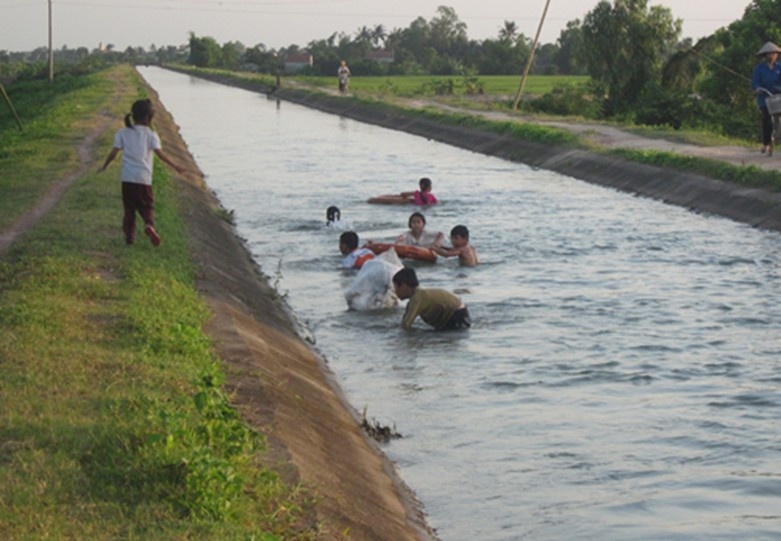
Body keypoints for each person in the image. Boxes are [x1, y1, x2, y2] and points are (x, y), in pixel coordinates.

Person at [98, 98, 185, 246]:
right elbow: (160, 154)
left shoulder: (122, 133)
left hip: (127, 178)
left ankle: (129, 238)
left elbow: (113, 153)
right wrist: (176, 166)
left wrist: (105, 165)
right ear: (148, 117)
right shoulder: (151, 135)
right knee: (147, 206)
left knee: (129, 209)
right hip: (144, 178)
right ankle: (149, 225)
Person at [392, 267, 471, 330]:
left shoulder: (417, 298)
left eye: (395, 287)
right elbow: (405, 321)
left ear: (404, 286)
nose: (395, 291)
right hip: (457, 312)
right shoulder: (417, 297)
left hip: (457, 315)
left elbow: (405, 325)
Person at [751, 42, 781, 155]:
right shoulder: (759, 68)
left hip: (778, 97)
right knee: (766, 120)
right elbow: (755, 83)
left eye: (774, 54)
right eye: (769, 54)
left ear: (776, 55)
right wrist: (757, 88)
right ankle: (766, 143)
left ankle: (777, 138)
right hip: (765, 98)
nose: (772, 56)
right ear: (765, 55)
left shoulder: (779, 67)